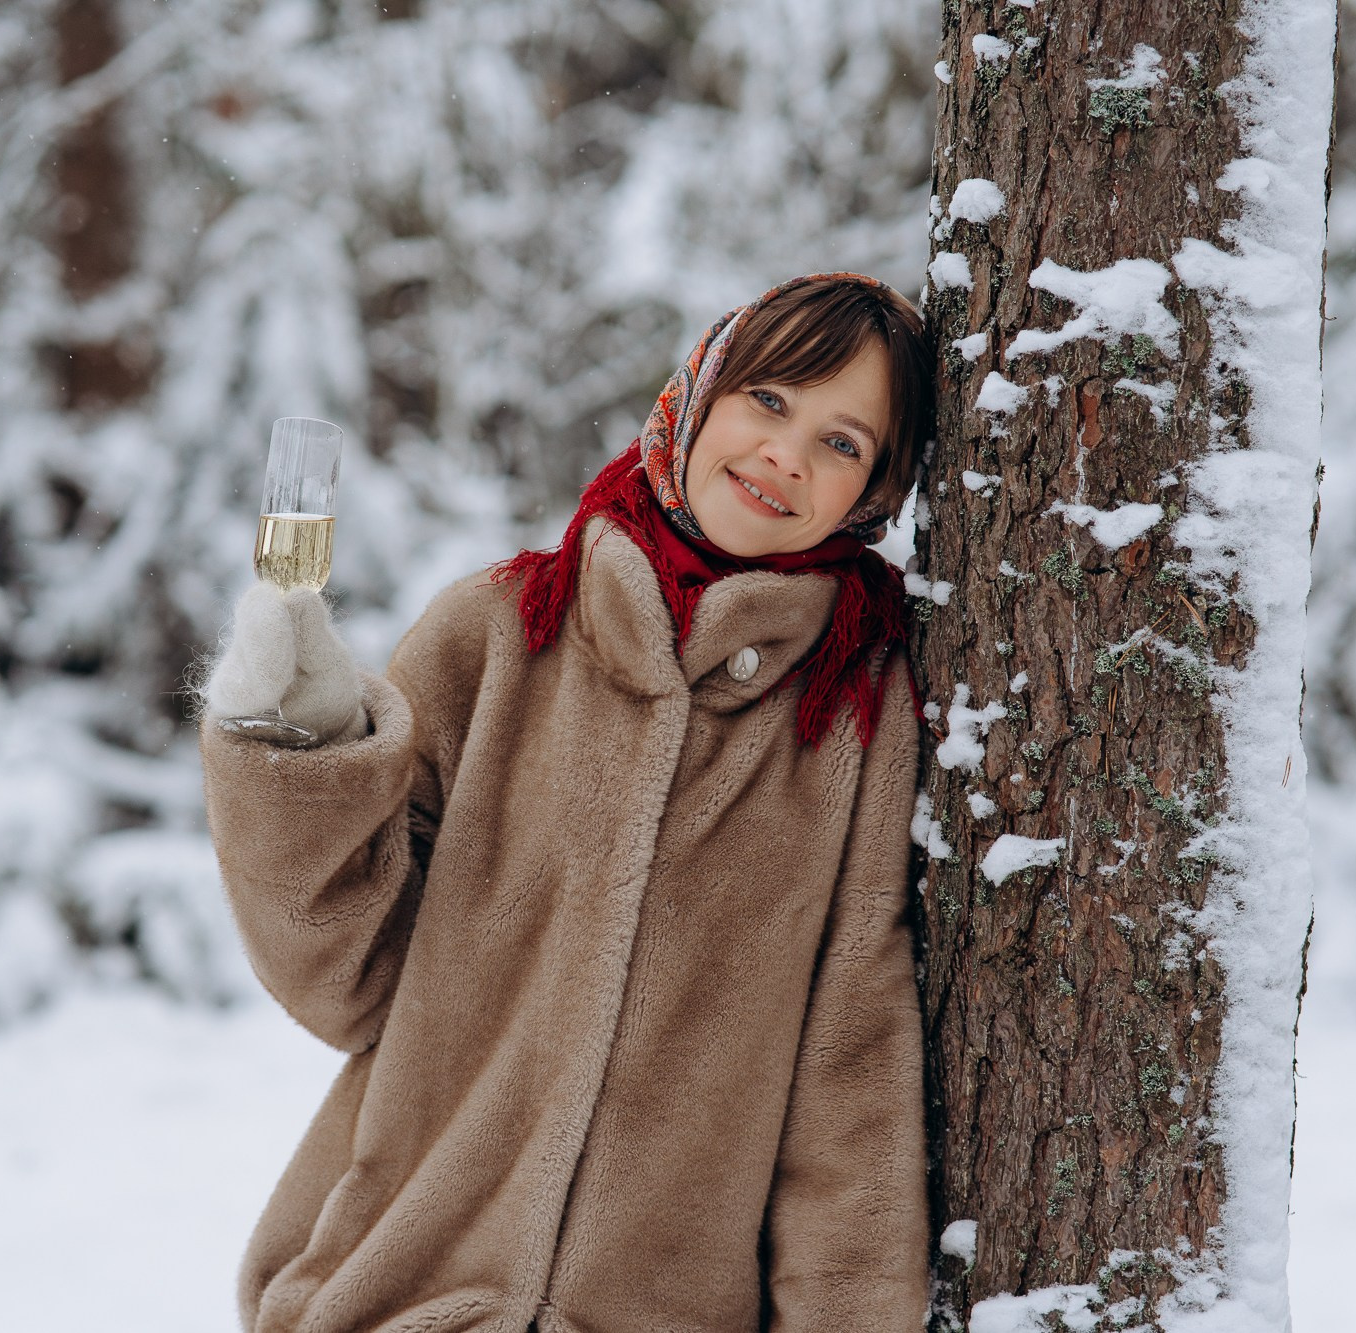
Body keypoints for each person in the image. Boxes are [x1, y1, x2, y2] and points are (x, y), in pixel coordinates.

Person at [198, 272, 935, 1333]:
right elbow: (342, 978)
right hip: (393, 1293)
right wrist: (297, 747)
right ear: (697, 396)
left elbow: (848, 1068)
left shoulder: (852, 715)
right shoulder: (499, 632)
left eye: (841, 442)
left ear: (874, 492)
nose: (786, 454)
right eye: (768, 401)